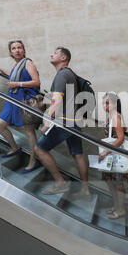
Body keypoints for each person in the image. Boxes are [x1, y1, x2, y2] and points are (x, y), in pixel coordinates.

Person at [34, 47, 89, 197]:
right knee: (77, 154)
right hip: (75, 121)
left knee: (39, 149)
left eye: (56, 53)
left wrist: (46, 123)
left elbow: (56, 100)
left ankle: (60, 183)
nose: (51, 54)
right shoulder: (70, 74)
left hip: (65, 121)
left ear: (63, 58)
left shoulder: (62, 75)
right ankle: (85, 189)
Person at [0, 40, 41, 173]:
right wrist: (0, 70)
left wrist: (18, 84)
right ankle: (15, 147)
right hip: (12, 100)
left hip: (24, 101)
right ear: (11, 52)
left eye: (19, 47)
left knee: (29, 131)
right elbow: (13, 75)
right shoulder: (17, 65)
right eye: (14, 48)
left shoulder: (28, 62)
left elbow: (36, 81)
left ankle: (33, 161)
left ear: (24, 50)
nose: (17, 50)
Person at [98, 93, 128, 219]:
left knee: (118, 183)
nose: (105, 106)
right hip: (111, 155)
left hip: (115, 155)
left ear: (114, 104)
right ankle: (116, 206)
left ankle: (121, 209)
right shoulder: (111, 117)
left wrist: (105, 152)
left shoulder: (116, 117)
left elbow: (121, 138)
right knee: (111, 183)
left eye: (107, 103)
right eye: (104, 103)